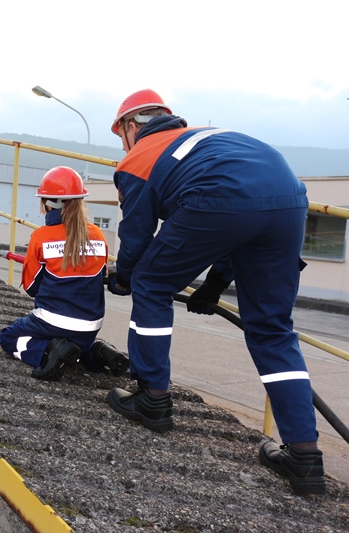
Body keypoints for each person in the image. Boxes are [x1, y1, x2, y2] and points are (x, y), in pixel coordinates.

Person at [104, 89, 324, 495]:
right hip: (289, 198)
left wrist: (123, 279)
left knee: (150, 283)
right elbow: (240, 215)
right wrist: (214, 285)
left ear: (131, 126)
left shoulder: (139, 158)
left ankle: (152, 398)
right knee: (272, 329)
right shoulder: (209, 138)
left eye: (121, 136)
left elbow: (136, 239)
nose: (123, 146)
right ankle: (304, 456)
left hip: (224, 198)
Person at [0, 166, 129, 381]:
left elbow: (32, 288)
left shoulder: (41, 237)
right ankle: (96, 353)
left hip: (53, 321)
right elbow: (100, 275)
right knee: (75, 345)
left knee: (8, 337)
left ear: (47, 203)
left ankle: (47, 351)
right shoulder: (97, 234)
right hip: (91, 326)